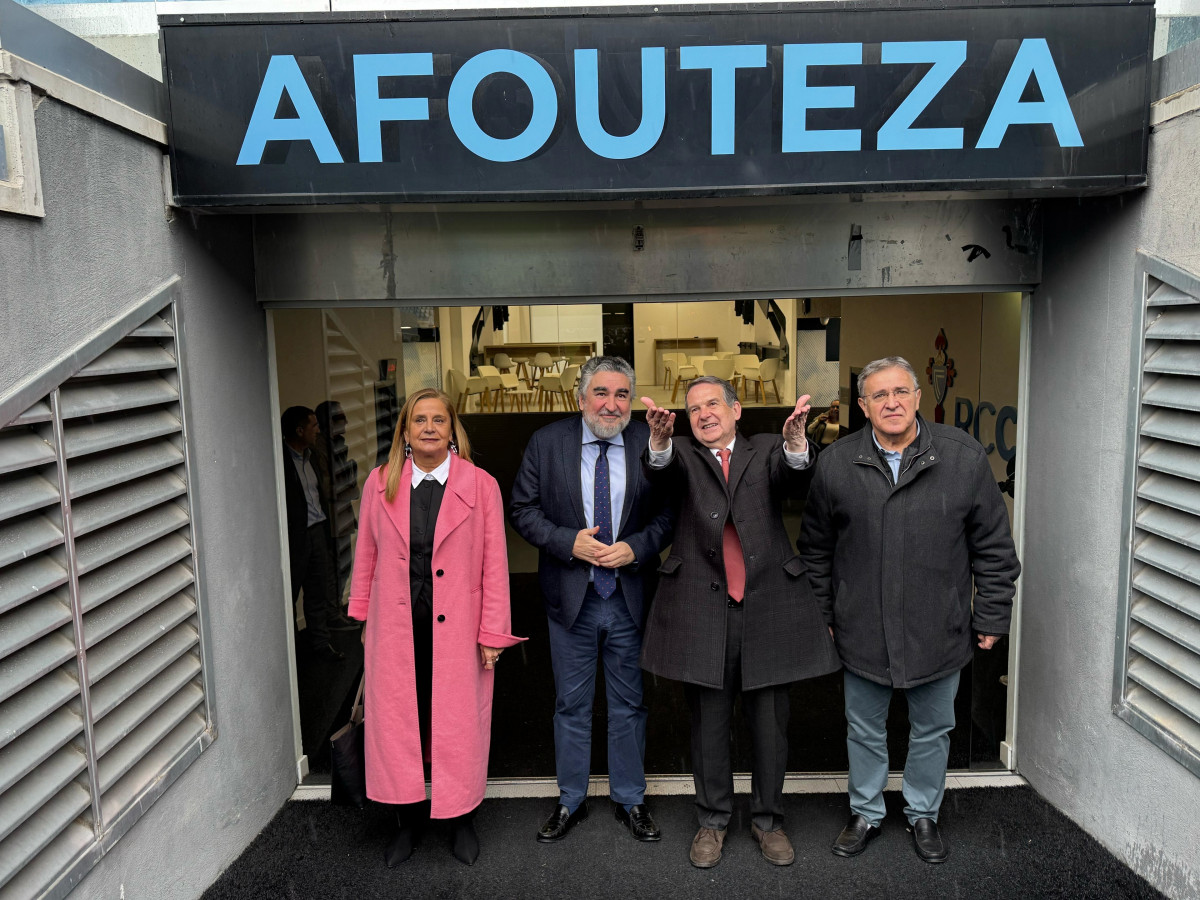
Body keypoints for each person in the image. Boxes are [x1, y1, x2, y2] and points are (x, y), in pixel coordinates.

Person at [798, 357, 1020, 864]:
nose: (892, 402)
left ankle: (923, 813)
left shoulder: (961, 458)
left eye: (901, 392)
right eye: (879, 395)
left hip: (938, 628)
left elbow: (993, 547)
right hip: (862, 630)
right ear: (862, 406)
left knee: (934, 729)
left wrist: (991, 614)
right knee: (864, 729)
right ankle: (866, 813)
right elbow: (815, 549)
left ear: (919, 397)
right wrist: (823, 613)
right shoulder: (837, 463)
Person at [640, 377, 840, 868]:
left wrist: (797, 445)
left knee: (770, 724)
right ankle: (712, 821)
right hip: (702, 608)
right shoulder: (681, 453)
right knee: (708, 723)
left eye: (713, 404)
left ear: (737, 410)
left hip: (767, 604)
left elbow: (793, 475)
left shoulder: (769, 448)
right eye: (693, 409)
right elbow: (658, 474)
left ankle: (768, 821)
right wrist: (661, 443)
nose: (704, 414)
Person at [347, 388, 524, 867]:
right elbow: (367, 554)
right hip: (396, 631)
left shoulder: (480, 485)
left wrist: (492, 634)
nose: (429, 427)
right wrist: (362, 615)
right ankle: (405, 821)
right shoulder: (380, 483)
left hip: (459, 633)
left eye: (438, 420)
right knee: (401, 726)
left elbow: (495, 566)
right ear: (405, 431)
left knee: (458, 726)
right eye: (419, 420)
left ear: (452, 430)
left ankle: (460, 817)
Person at [511, 356, 673, 844]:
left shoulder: (649, 443)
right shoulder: (547, 442)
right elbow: (521, 508)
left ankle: (630, 799)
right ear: (580, 398)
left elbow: (670, 514)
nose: (612, 403)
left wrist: (637, 548)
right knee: (571, 705)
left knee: (629, 704)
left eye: (622, 394)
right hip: (571, 596)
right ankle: (570, 800)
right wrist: (568, 542)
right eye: (601, 393)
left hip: (628, 596)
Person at [281, 405, 343, 662]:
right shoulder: (281, 461)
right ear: (299, 430)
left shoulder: (312, 456)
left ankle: (320, 644)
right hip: (295, 536)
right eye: (314, 426)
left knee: (317, 591)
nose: (318, 431)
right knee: (290, 595)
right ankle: (292, 656)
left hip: (317, 530)